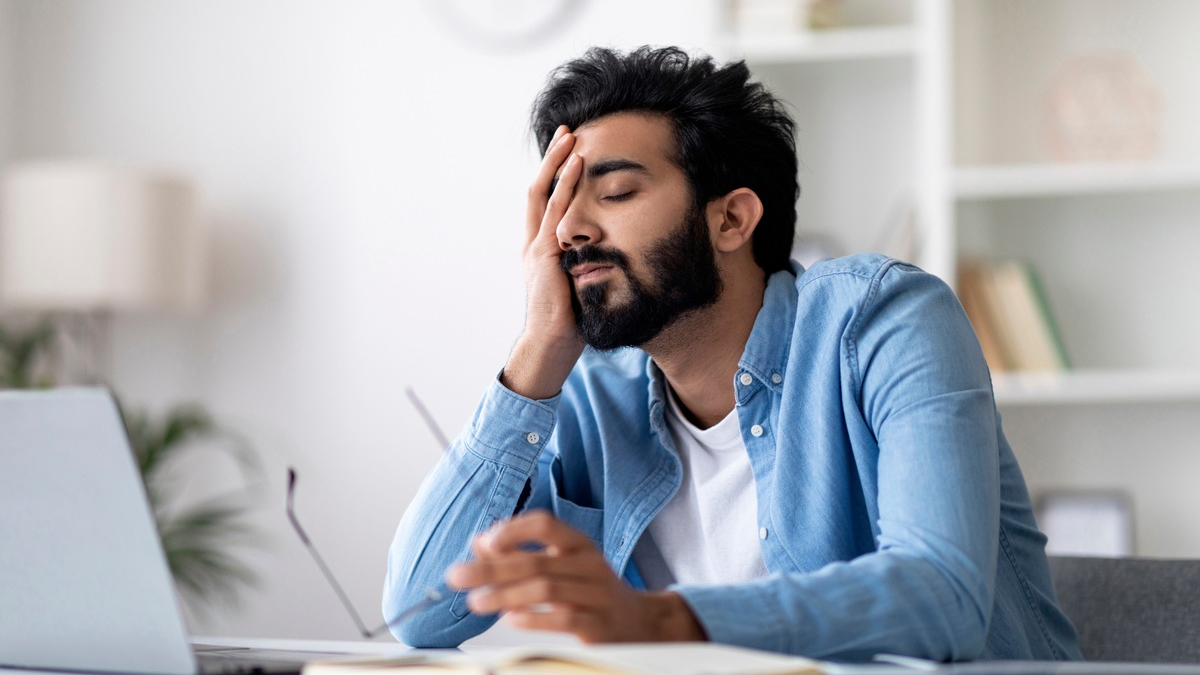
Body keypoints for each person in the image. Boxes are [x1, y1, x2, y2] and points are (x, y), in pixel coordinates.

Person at [383, 45, 1082, 662]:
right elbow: (420, 613)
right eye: (558, 204)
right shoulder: (591, 391)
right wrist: (537, 352)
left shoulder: (882, 319)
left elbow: (942, 594)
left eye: (615, 192)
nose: (568, 231)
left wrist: (662, 621)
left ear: (732, 218)